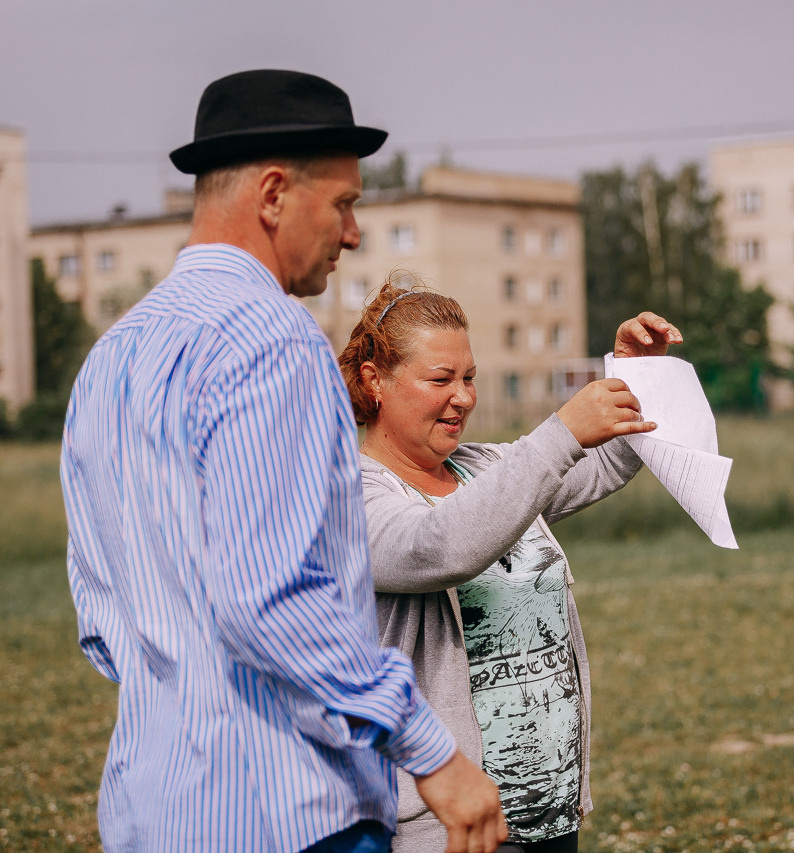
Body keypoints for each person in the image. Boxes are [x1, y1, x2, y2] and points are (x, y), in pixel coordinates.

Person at [61, 70, 506, 853]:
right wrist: (435, 754)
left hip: (151, 811)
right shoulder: (274, 340)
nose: (354, 233)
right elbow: (272, 597)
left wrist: (188, 696)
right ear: (273, 194)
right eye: (344, 204)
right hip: (289, 814)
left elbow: (100, 615)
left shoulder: (111, 357)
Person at [337, 281, 681, 852]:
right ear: (376, 381)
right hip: (447, 826)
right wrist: (559, 435)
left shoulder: (485, 467)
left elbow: (605, 461)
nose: (464, 397)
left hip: (548, 808)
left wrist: (635, 374)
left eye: (469, 378)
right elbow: (439, 547)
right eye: (441, 379)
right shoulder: (348, 494)